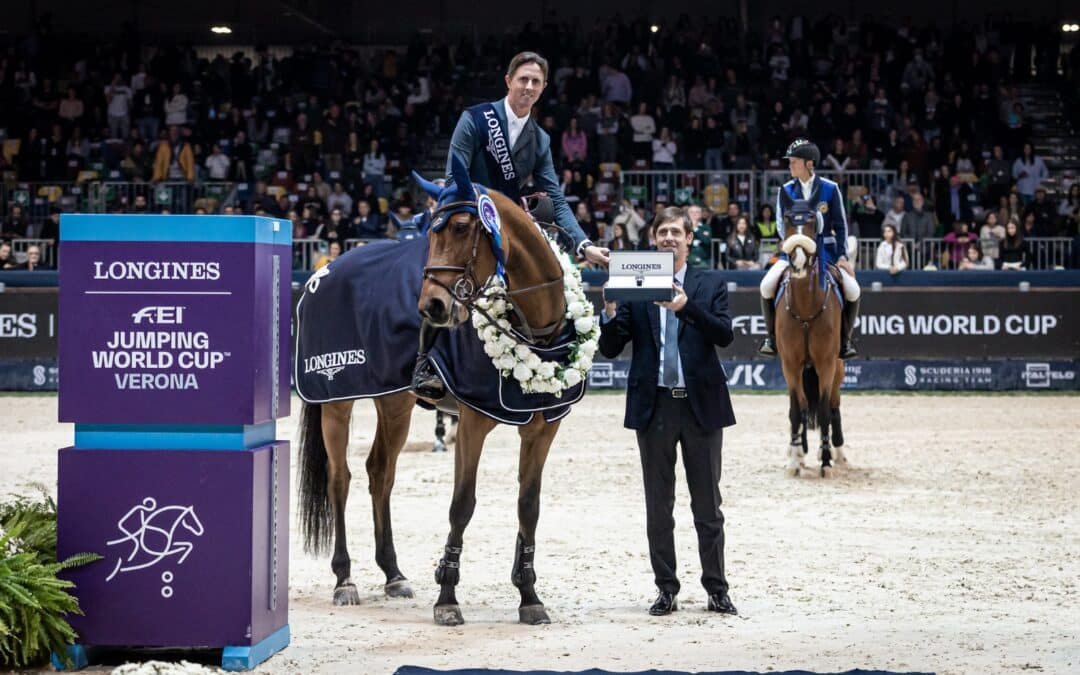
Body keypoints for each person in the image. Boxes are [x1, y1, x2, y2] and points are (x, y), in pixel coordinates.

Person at [413, 51, 610, 399]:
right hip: (466, 215)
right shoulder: (475, 119)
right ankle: (424, 362)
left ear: (543, 88)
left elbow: (556, 198)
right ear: (508, 81)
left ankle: (545, 361)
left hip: (504, 226)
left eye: (536, 82)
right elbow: (451, 176)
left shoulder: (541, 140)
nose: (529, 87)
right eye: (523, 80)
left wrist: (583, 244)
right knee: (444, 274)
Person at [598, 207, 737, 618]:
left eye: (677, 231)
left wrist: (685, 307)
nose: (669, 238)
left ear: (690, 237)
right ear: (653, 238)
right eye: (662, 232)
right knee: (659, 506)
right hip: (654, 405)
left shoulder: (709, 281)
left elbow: (724, 334)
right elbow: (610, 347)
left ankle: (716, 588)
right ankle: (666, 589)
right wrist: (609, 309)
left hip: (701, 407)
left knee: (707, 506)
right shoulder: (635, 280)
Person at [759, 139, 861, 359]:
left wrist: (842, 256)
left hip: (827, 253)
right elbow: (779, 223)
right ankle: (772, 338)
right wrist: (795, 244)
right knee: (766, 285)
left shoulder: (830, 189)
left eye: (794, 161)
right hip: (793, 252)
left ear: (809, 163)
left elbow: (841, 224)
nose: (790, 165)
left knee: (853, 289)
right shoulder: (785, 190)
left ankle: (845, 341)